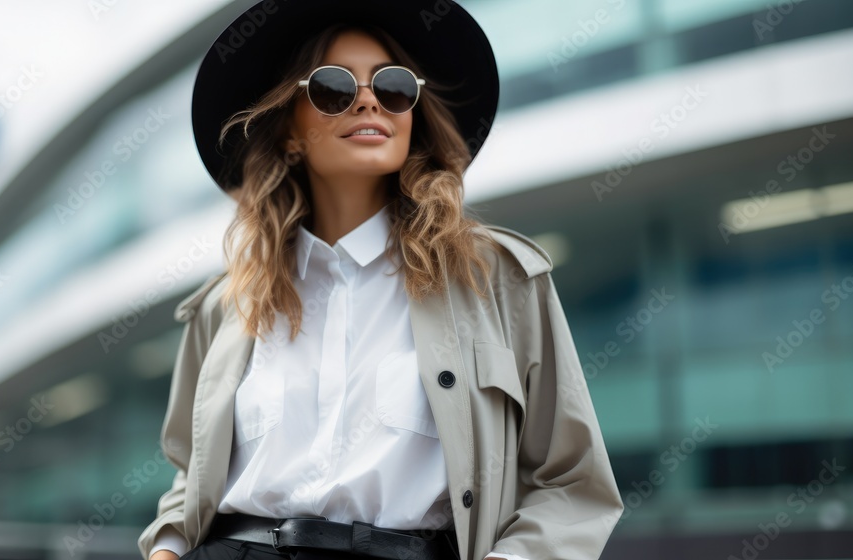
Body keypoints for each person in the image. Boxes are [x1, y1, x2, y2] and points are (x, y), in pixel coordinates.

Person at [138, 1, 624, 559]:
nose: (368, 99)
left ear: (411, 118)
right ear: (289, 133)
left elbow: (572, 483)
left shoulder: (500, 279)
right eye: (332, 88)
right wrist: (167, 551)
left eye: (393, 87)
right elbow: (188, 477)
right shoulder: (225, 307)